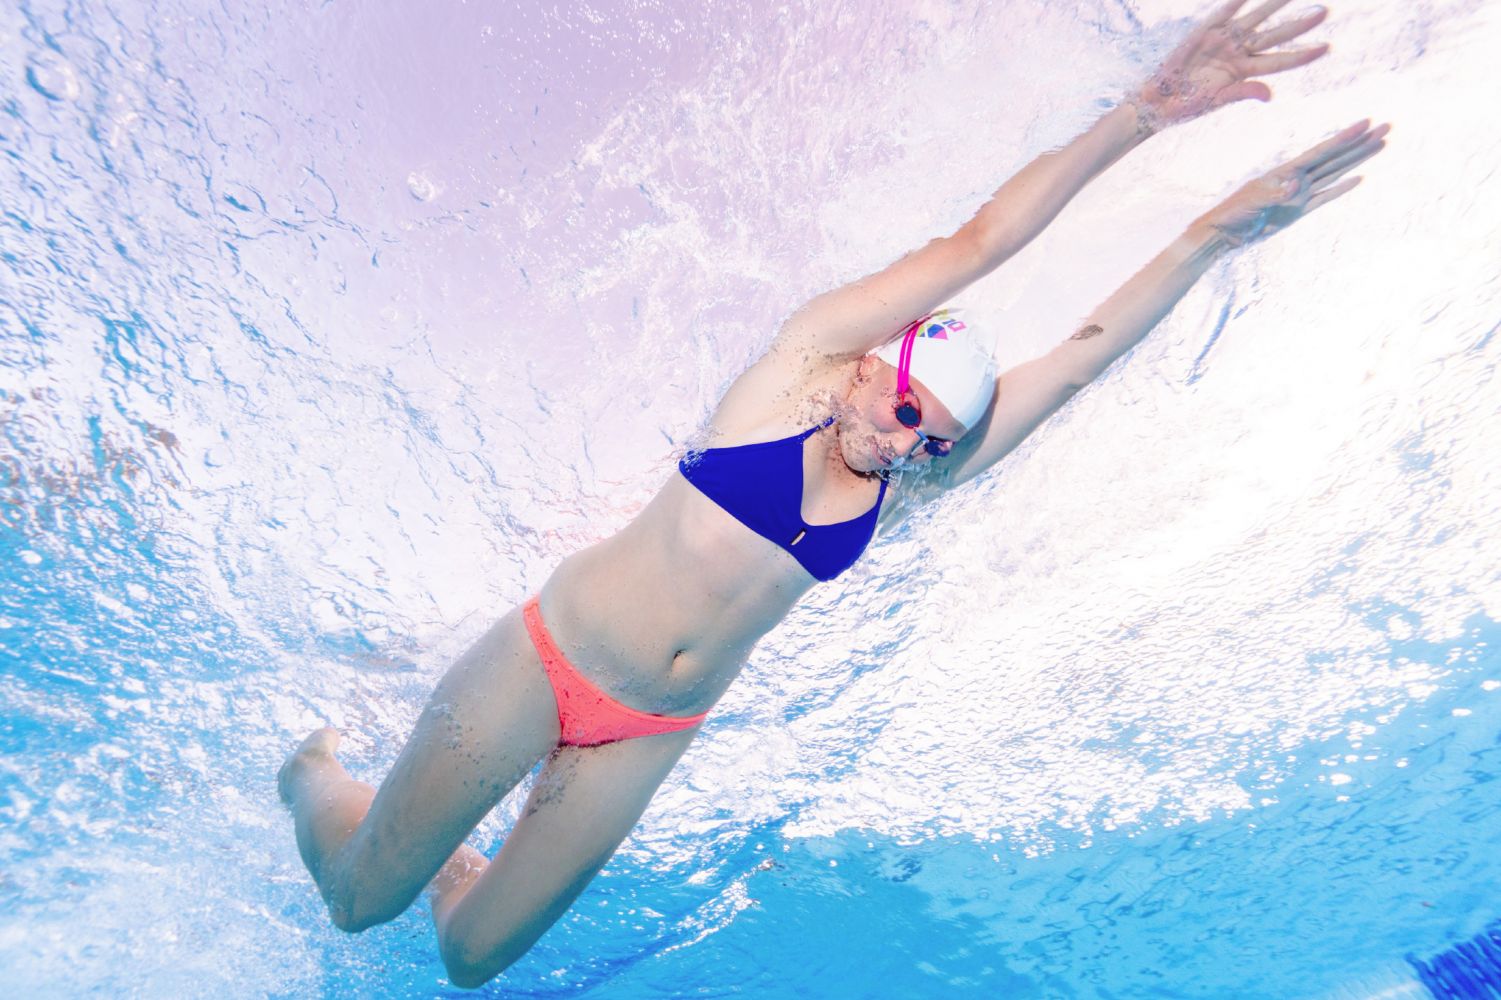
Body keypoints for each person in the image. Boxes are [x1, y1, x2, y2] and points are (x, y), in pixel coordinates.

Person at [278, 0, 1386, 987]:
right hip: (549, 656)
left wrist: (1211, 234)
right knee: (359, 901)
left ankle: (448, 862)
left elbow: (1075, 365)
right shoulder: (798, 367)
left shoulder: (905, 481)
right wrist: (1142, 114)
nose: (907, 446)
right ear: (872, 363)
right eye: (905, 411)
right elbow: (981, 239)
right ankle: (312, 771)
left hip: (648, 729)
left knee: (471, 960)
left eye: (932, 440)